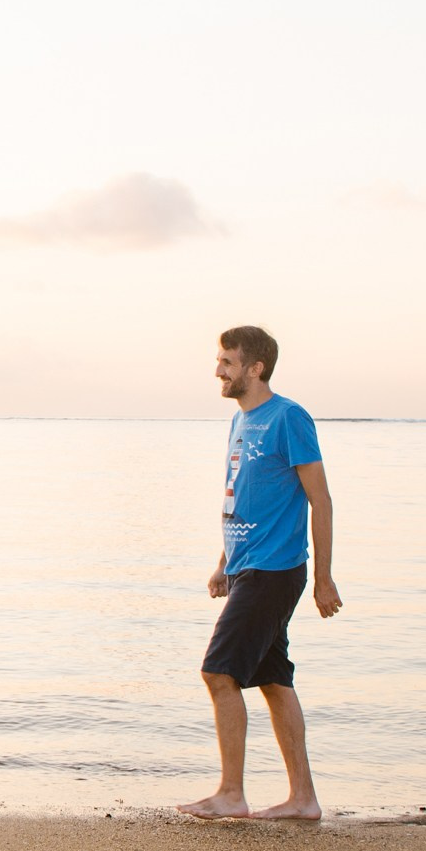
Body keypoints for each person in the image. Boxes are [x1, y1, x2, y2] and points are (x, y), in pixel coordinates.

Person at [177, 326, 341, 821]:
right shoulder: (241, 420)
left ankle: (231, 793)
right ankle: (303, 800)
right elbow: (242, 497)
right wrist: (224, 562)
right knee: (273, 679)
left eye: (227, 361)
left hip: (274, 570)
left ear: (255, 368)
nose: (217, 370)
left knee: (218, 671)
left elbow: (321, 499)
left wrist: (325, 578)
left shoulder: (288, 418)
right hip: (248, 568)